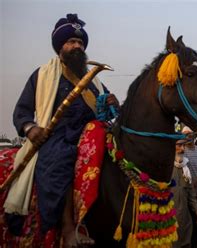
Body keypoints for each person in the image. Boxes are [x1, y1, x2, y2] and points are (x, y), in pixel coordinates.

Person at [7, 13, 119, 247]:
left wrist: (112, 103)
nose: (77, 46)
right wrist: (30, 128)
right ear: (60, 47)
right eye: (71, 42)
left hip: (93, 134)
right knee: (61, 160)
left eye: (80, 42)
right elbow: (22, 111)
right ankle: (68, 229)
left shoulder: (93, 80)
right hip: (57, 136)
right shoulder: (42, 75)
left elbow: (108, 111)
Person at [173, 139, 197, 248]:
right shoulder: (165, 167)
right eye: (179, 145)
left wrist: (196, 208)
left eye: (184, 145)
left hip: (185, 219)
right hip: (168, 221)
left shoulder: (185, 167)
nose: (183, 149)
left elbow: (190, 191)